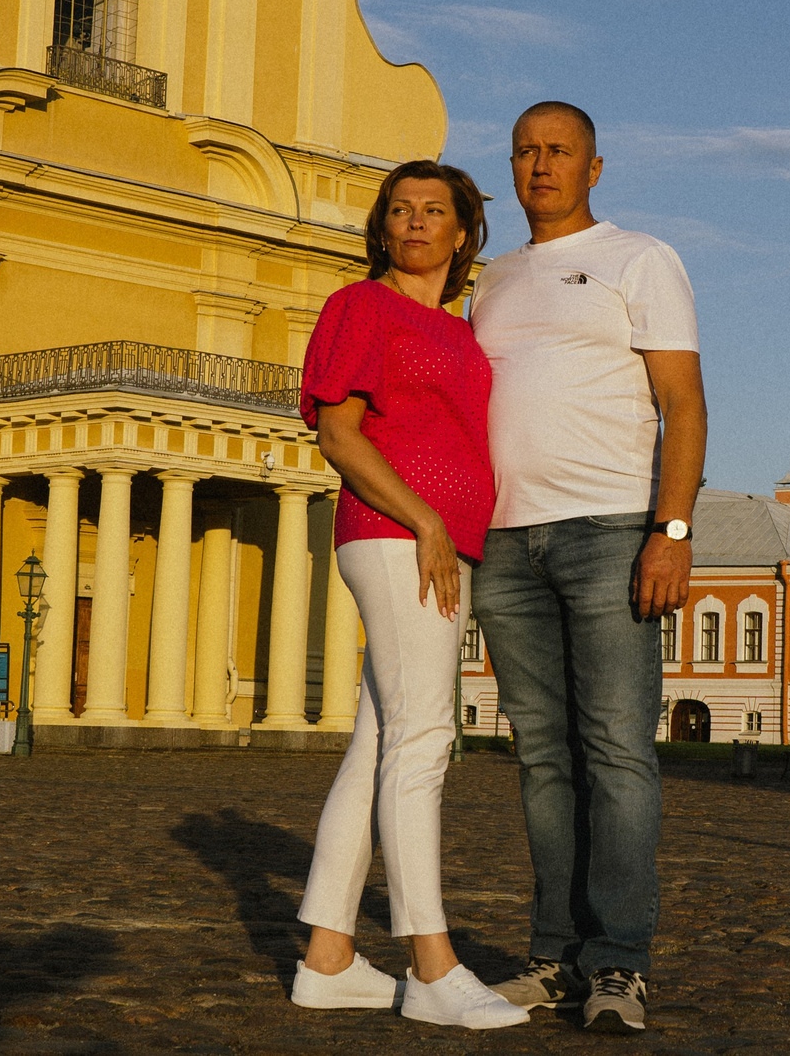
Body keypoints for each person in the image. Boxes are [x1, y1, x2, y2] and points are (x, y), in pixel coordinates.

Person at [473, 102, 708, 1036]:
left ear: (594, 167)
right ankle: (553, 957)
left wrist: (674, 529)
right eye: (526, 151)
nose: (541, 165)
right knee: (540, 759)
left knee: (615, 751)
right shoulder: (490, 278)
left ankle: (619, 965)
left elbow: (682, 403)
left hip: (609, 529)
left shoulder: (638, 258)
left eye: (558, 151)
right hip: (503, 540)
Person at [293, 159, 526, 1029]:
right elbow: (337, 431)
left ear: (464, 231)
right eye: (401, 210)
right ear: (382, 227)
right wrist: (426, 519)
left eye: (435, 211)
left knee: (380, 744)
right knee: (427, 738)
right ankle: (432, 964)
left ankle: (328, 957)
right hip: (397, 539)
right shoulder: (363, 306)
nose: (416, 222)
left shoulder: (466, 334)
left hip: (438, 545)